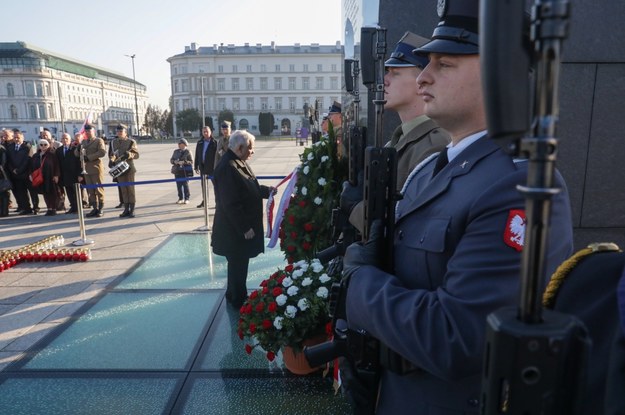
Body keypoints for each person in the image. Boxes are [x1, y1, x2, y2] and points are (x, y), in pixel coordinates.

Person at [340, 1, 574, 413]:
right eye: (427, 62)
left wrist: (359, 284)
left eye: (444, 64)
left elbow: (458, 338)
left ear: (499, 75)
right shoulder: (433, 166)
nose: (424, 76)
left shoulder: (517, 186)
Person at [345, 31, 452, 233]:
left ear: (423, 79)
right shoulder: (398, 139)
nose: (384, 80)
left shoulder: (434, 146)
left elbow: (406, 225)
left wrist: (355, 208)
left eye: (395, 73)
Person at [211, 130, 274, 308]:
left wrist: (266, 191)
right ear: (239, 147)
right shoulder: (227, 167)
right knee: (237, 265)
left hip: (237, 230)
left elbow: (248, 188)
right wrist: (245, 228)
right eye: (250, 148)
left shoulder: (237, 162)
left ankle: (235, 295)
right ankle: (238, 300)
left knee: (239, 265)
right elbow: (231, 203)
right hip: (234, 231)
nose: (252, 152)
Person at [108, 124, 139, 218]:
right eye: (118, 131)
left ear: (125, 132)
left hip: (129, 168)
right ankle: (126, 209)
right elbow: (111, 154)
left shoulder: (131, 142)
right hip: (119, 169)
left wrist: (129, 154)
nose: (119, 133)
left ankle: (132, 210)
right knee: (123, 190)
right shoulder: (113, 142)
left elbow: (136, 155)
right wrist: (111, 160)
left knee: (130, 189)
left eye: (121, 131)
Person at [6, 129, 39, 215]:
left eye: (18, 137)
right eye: (15, 137)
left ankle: (36, 207)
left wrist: (20, 169)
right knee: (21, 193)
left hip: (26, 174)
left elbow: (28, 159)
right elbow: (8, 160)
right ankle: (26, 208)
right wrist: (13, 169)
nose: (16, 139)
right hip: (16, 175)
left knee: (32, 192)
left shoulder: (27, 147)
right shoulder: (10, 147)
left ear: (22, 137)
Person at [80, 123, 106, 217]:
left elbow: (102, 152)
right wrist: (77, 149)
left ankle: (101, 208)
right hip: (86, 169)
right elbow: (78, 154)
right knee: (90, 190)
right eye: (86, 131)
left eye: (89, 130)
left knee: (99, 189)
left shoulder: (98, 140)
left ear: (93, 131)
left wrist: (89, 157)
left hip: (96, 168)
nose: (87, 132)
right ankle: (94, 208)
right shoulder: (83, 142)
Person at [30, 139, 61, 216]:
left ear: (48, 145)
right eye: (41, 144)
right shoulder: (36, 155)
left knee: (53, 193)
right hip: (41, 177)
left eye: (45, 144)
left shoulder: (52, 154)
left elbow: (57, 165)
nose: (43, 146)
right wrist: (31, 175)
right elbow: (31, 166)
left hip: (50, 176)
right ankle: (49, 208)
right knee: (45, 193)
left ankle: (53, 208)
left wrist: (56, 175)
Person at [56, 132, 82, 214]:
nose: (65, 140)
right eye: (63, 138)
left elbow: (79, 162)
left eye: (66, 138)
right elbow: (57, 163)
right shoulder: (59, 150)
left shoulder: (75, 149)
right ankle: (73, 207)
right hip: (65, 175)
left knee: (76, 192)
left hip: (74, 175)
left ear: (70, 140)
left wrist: (80, 174)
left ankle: (78, 207)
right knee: (69, 192)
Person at [194, 125, 217, 208]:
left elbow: (217, 156)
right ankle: (205, 201)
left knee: (216, 185)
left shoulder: (214, 143)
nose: (206, 133)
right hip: (202, 167)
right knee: (204, 186)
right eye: (204, 132)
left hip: (212, 168)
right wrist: (196, 166)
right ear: (202, 133)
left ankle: (217, 202)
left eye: (207, 131)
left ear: (210, 132)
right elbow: (197, 155)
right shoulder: (200, 142)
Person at [170, 138, 194, 204]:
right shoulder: (176, 151)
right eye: (179, 144)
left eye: (180, 144)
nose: (179, 145)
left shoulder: (188, 152)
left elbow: (191, 161)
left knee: (185, 185)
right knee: (178, 185)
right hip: (177, 170)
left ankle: (187, 198)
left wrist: (184, 162)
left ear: (184, 144)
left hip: (185, 170)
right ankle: (180, 198)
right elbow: (171, 160)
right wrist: (175, 161)